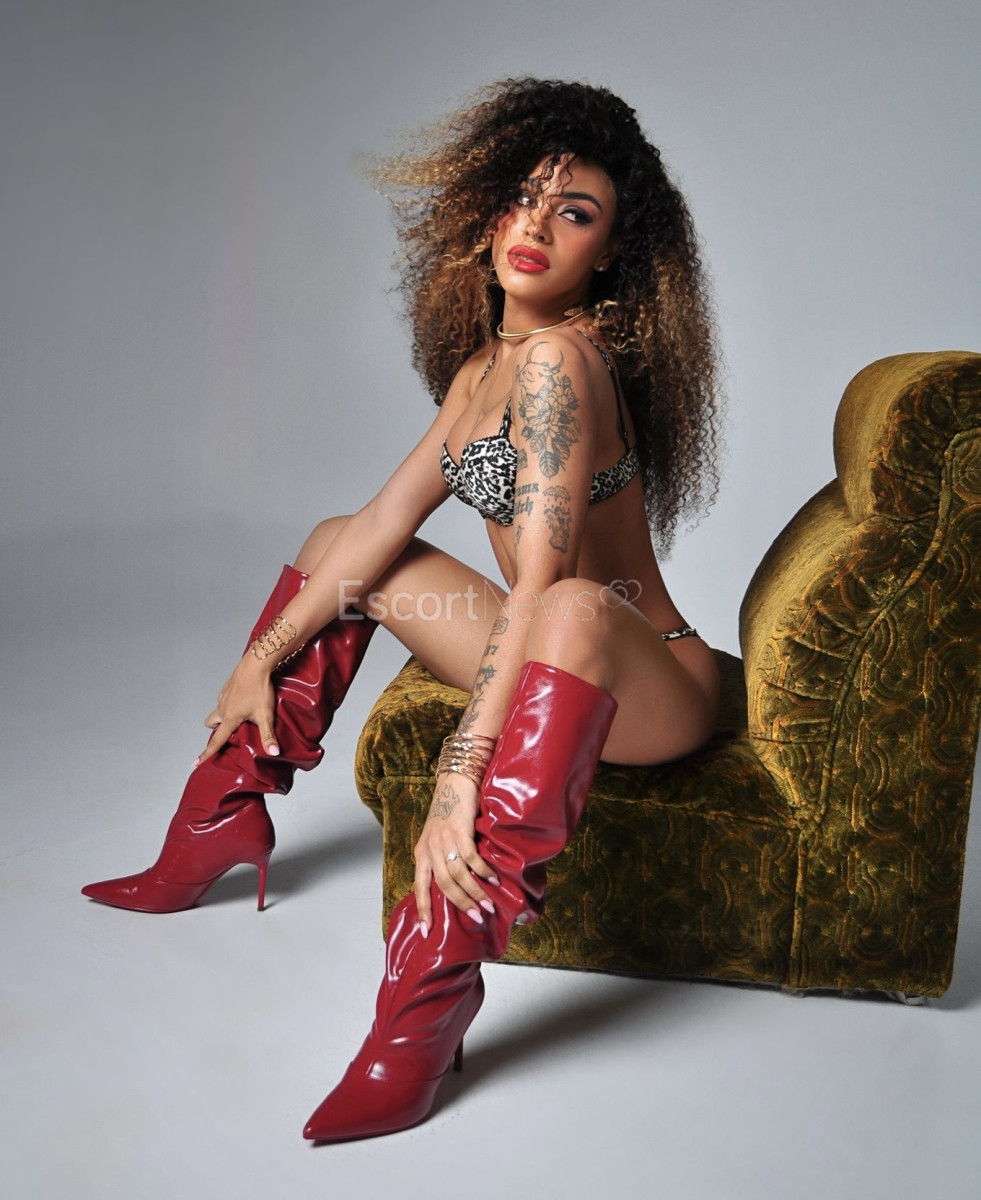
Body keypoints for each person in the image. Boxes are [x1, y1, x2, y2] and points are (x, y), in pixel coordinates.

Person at [82, 77, 722, 1141]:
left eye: (575, 213)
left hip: (646, 675)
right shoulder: (485, 369)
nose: (536, 228)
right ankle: (213, 820)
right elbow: (385, 522)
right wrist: (259, 658)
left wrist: (460, 773)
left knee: (567, 605)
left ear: (609, 251)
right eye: (523, 198)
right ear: (484, 211)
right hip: (555, 636)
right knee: (340, 543)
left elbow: (542, 588)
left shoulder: (560, 365)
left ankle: (422, 1012)